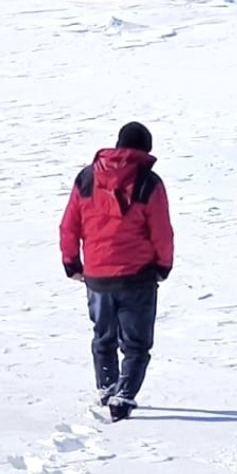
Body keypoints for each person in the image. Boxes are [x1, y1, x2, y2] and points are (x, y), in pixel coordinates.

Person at [60, 122, 174, 422]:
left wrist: (71, 262)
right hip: (137, 277)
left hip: (97, 275)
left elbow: (70, 224)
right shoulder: (149, 183)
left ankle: (107, 388)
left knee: (103, 336)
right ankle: (123, 396)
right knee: (136, 344)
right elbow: (161, 230)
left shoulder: (86, 178)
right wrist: (164, 265)